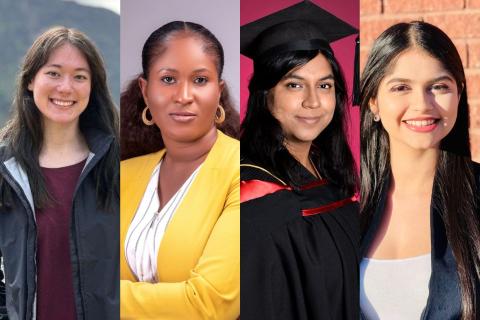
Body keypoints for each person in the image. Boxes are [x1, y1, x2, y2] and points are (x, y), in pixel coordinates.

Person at [240, 2, 360, 319]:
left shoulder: (331, 178)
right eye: (294, 84)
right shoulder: (250, 197)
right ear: (265, 95)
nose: (313, 101)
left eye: (325, 85)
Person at [360, 21, 480, 319]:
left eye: (438, 87)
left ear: (459, 94)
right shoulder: (346, 201)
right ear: (373, 101)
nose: (422, 104)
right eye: (401, 87)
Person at [120, 21, 240, 319]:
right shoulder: (122, 175)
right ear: (146, 91)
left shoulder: (244, 172)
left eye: (200, 80)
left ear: (218, 91)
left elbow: (210, 304)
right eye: (168, 79)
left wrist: (98, 294)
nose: (184, 95)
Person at [0, 26, 119, 319]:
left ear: (93, 87)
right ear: (30, 81)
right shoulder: (6, 167)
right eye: (54, 73)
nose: (66, 87)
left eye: (80, 76)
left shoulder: (119, 162)